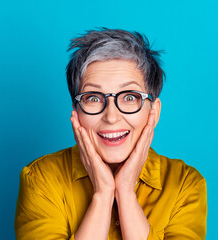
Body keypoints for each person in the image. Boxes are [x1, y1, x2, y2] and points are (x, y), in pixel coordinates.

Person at [14, 28, 207, 240]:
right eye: (94, 98)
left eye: (130, 97)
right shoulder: (41, 179)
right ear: (76, 111)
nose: (111, 116)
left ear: (154, 111)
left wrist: (125, 192)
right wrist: (103, 194)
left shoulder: (184, 184)